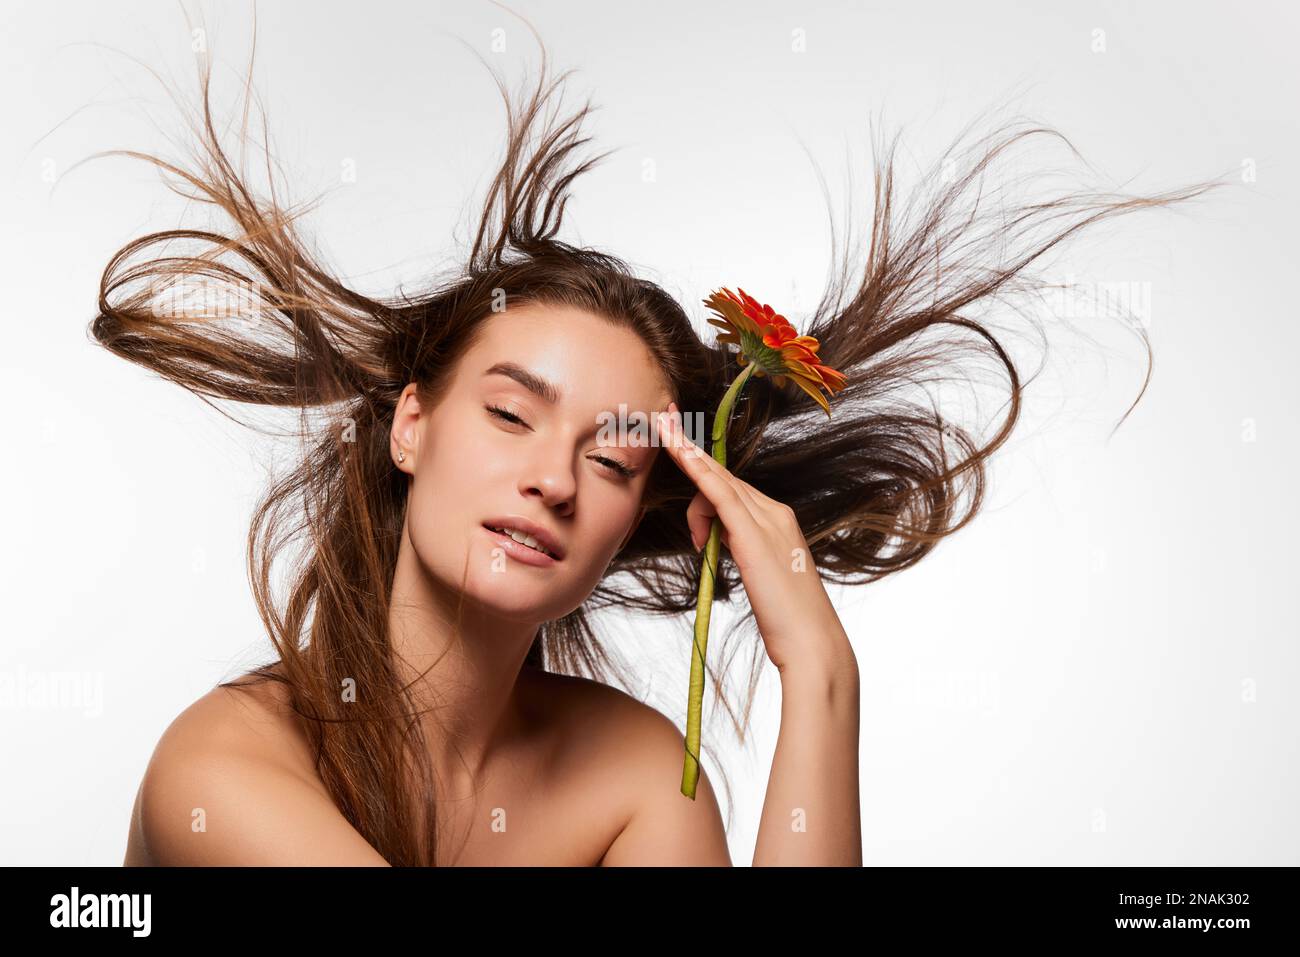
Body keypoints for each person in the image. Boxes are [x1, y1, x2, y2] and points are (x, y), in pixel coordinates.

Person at [92, 20, 1224, 866]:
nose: (548, 478)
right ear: (411, 424)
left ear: (638, 512)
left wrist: (820, 678)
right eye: (508, 413)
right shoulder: (226, 765)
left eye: (610, 457)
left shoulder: (636, 775)